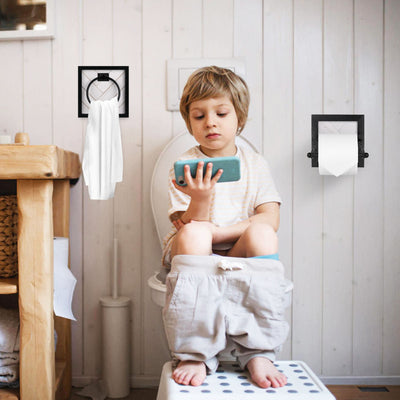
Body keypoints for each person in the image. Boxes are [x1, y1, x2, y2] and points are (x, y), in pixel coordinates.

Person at [162, 66, 288, 389]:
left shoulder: (255, 165)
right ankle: (195, 352)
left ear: (239, 117)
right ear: (189, 122)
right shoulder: (185, 168)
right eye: (199, 115)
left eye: (220, 112)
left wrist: (221, 234)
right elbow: (189, 227)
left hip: (237, 252)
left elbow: (270, 218)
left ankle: (259, 350)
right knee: (195, 234)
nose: (210, 122)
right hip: (193, 251)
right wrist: (200, 198)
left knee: (262, 234)